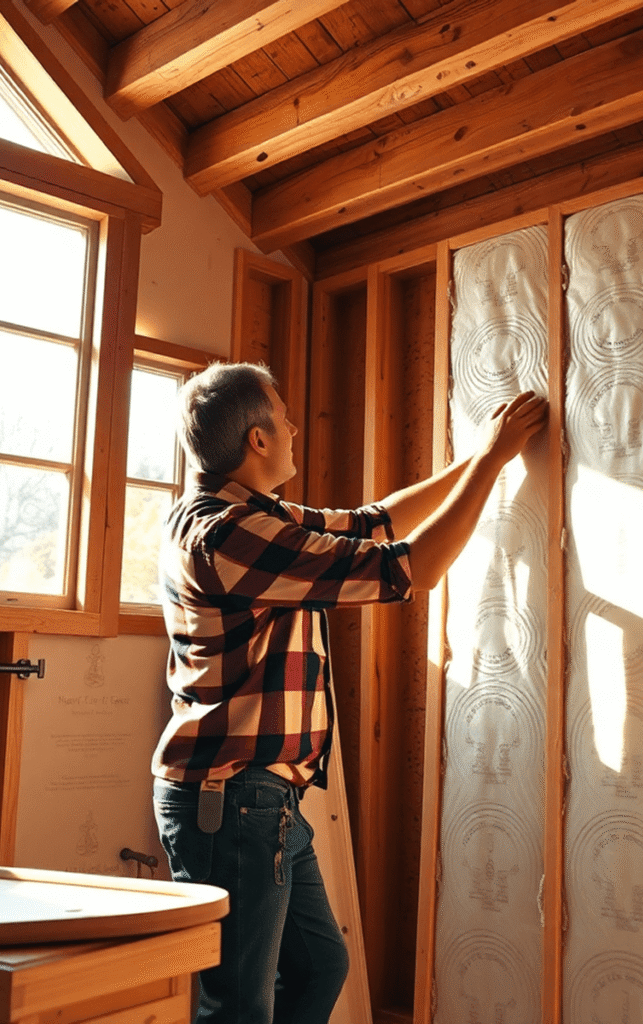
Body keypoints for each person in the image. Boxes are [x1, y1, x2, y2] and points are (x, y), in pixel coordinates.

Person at [151, 362, 547, 1024]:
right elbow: (411, 567)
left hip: (262, 802)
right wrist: (493, 461)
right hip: (234, 801)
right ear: (257, 439)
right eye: (283, 418)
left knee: (318, 967)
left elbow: (375, 523)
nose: (295, 428)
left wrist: (484, 456)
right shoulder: (228, 533)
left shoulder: (248, 515)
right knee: (238, 1007)